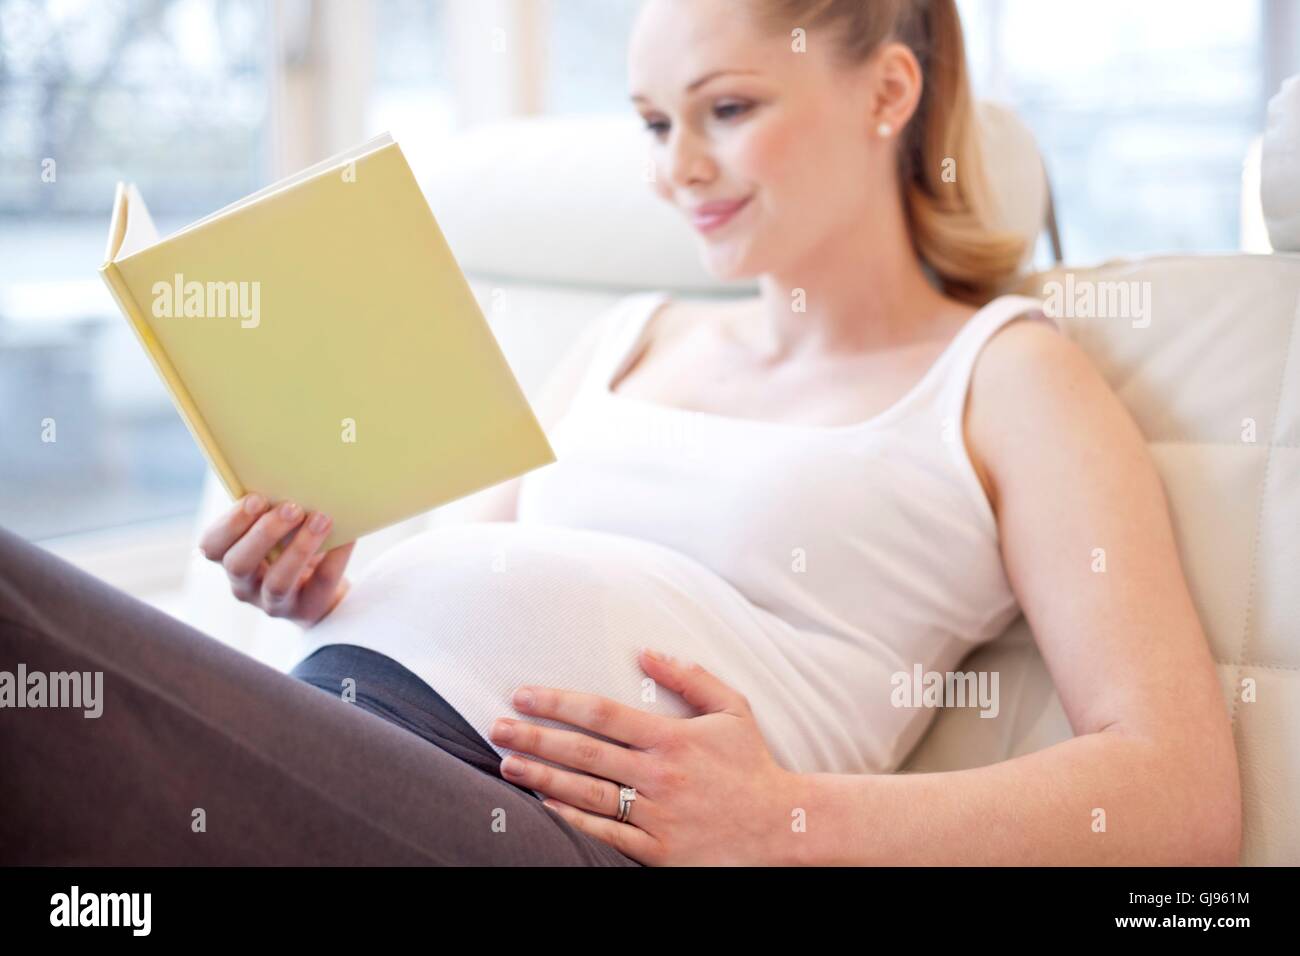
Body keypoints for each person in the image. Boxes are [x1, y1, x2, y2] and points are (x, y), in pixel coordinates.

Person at [1, 0, 1240, 866]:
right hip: (339, 733)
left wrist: (789, 819)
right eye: (654, 124)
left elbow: (1177, 792)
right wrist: (319, 583)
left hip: (537, 829)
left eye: (728, 108)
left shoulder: (1004, 378)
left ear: (888, 89)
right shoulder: (625, 338)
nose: (678, 169)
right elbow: (446, 588)